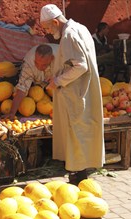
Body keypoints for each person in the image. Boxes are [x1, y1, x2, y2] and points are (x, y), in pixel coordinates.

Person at [39, 4, 105, 185]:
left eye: (47, 28)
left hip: (76, 92)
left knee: (76, 133)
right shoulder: (80, 27)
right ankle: (80, 175)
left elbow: (80, 66)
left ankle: (78, 177)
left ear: (55, 21)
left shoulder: (68, 35)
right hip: (82, 90)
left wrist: (58, 81)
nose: (48, 32)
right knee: (82, 132)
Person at [3, 43, 57, 119]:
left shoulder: (61, 60)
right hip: (39, 84)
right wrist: (12, 113)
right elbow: (22, 89)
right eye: (37, 63)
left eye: (44, 65)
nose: (40, 67)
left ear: (51, 58)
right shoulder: (28, 64)